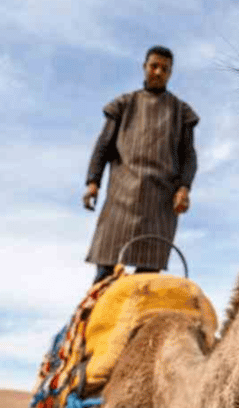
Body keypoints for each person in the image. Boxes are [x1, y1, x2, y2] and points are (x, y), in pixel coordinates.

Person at [82, 45, 199, 284]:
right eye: (154, 66)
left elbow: (189, 156)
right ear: (145, 67)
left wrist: (184, 188)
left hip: (160, 203)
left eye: (164, 69)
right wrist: (93, 182)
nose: (158, 72)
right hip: (121, 198)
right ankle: (88, 320)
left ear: (170, 73)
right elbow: (102, 147)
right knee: (105, 278)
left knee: (146, 283)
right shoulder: (125, 104)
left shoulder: (181, 112)